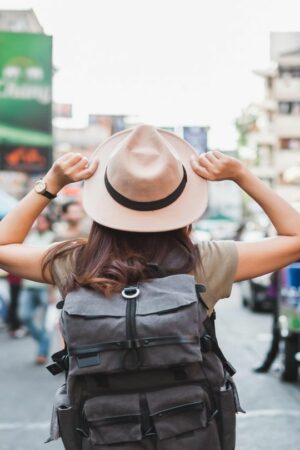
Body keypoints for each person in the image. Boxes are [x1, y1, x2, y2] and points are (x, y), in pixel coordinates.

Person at [1, 125, 300, 449]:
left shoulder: (77, 263)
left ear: (104, 202)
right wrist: (242, 175)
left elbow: (3, 247)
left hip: (105, 435)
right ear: (181, 202)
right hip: (190, 435)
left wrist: (51, 184)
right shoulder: (204, 263)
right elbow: (295, 239)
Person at [18, 214, 55, 365]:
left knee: (46, 322)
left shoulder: (53, 237)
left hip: (45, 287)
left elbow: (54, 265)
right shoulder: (30, 237)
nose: (40, 224)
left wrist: (53, 290)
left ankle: (42, 352)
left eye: (42, 221)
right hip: (28, 286)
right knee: (25, 316)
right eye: (38, 221)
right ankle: (42, 341)